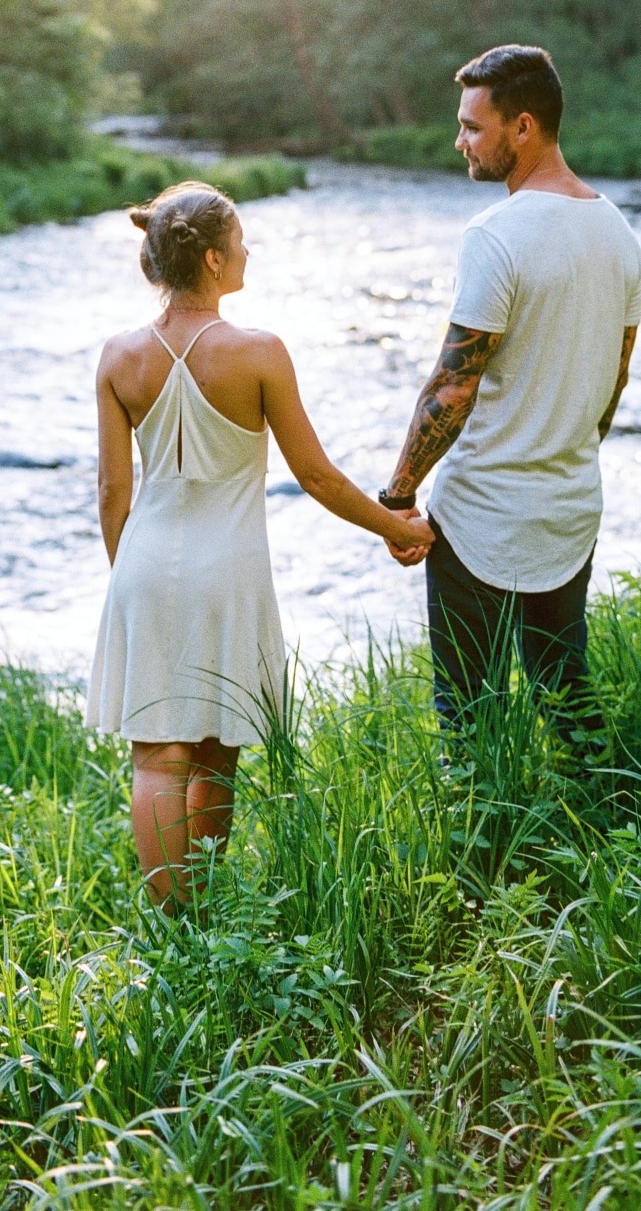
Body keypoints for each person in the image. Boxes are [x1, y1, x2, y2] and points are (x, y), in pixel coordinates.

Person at [86, 181, 434, 909]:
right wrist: (398, 526)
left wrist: (131, 580)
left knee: (157, 753)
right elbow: (315, 474)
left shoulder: (119, 357)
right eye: (240, 243)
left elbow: (114, 493)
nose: (248, 253)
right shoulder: (259, 352)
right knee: (216, 748)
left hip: (145, 564)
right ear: (212, 260)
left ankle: (175, 921)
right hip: (230, 571)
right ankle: (203, 910)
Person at [379, 45, 641, 741]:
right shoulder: (619, 232)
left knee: (469, 716)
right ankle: (604, 822)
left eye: (472, 125)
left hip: (480, 520)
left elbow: (453, 382)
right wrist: (564, 448)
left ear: (521, 127)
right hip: (570, 509)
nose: (459, 140)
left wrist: (399, 495)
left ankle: (480, 850)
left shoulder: (495, 235)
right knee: (566, 694)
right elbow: (613, 381)